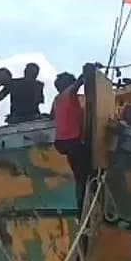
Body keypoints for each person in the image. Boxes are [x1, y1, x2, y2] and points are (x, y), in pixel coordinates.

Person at [52, 65, 92, 205]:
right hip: (72, 141)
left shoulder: (57, 100)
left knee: (78, 175)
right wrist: (88, 71)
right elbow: (77, 84)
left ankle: (81, 206)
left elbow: (52, 117)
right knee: (84, 176)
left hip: (61, 143)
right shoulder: (69, 92)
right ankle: (83, 207)